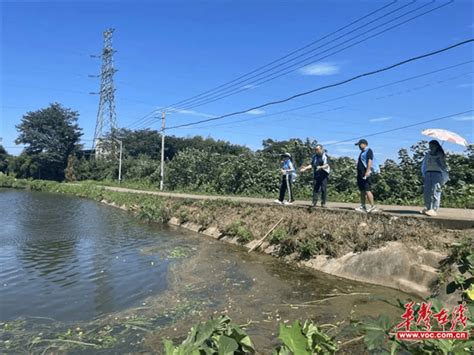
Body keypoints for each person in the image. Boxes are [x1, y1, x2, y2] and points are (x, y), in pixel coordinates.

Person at [421, 140, 449, 217]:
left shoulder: (441, 154)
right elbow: (424, 165)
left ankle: (434, 209)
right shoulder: (427, 154)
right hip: (428, 173)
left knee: (435, 191)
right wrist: (423, 174)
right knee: (427, 191)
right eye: (430, 146)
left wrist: (439, 160)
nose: (430, 147)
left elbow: (443, 166)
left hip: (437, 173)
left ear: (436, 146)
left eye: (432, 146)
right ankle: (428, 207)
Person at [355, 139, 378, 213]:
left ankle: (372, 206)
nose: (359, 146)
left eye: (359, 144)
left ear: (364, 144)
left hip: (365, 173)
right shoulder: (362, 152)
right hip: (360, 173)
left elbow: (369, 161)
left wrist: (367, 172)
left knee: (367, 189)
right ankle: (363, 206)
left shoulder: (369, 150)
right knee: (362, 190)